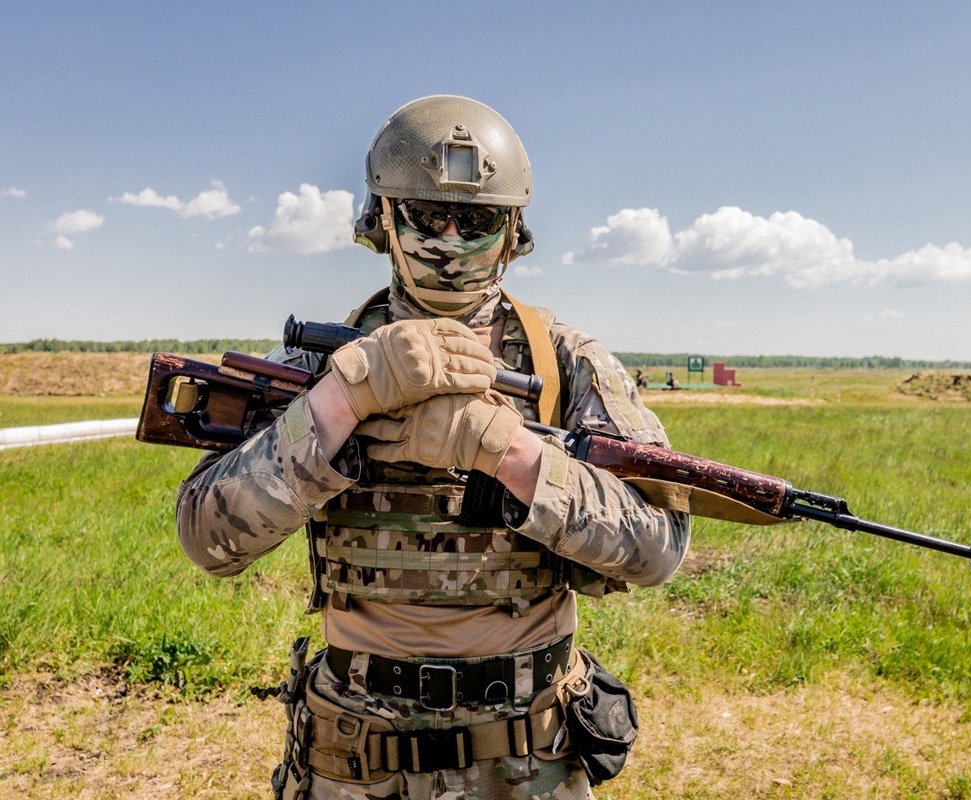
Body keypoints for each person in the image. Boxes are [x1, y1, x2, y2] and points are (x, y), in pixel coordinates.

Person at [175, 95, 690, 800]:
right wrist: (339, 404)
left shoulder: (565, 360)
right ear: (383, 218)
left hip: (528, 752)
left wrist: (506, 451)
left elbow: (659, 546)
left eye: (475, 219)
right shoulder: (318, 361)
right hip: (355, 753)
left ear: (512, 231)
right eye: (425, 214)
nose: (450, 238)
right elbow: (208, 538)